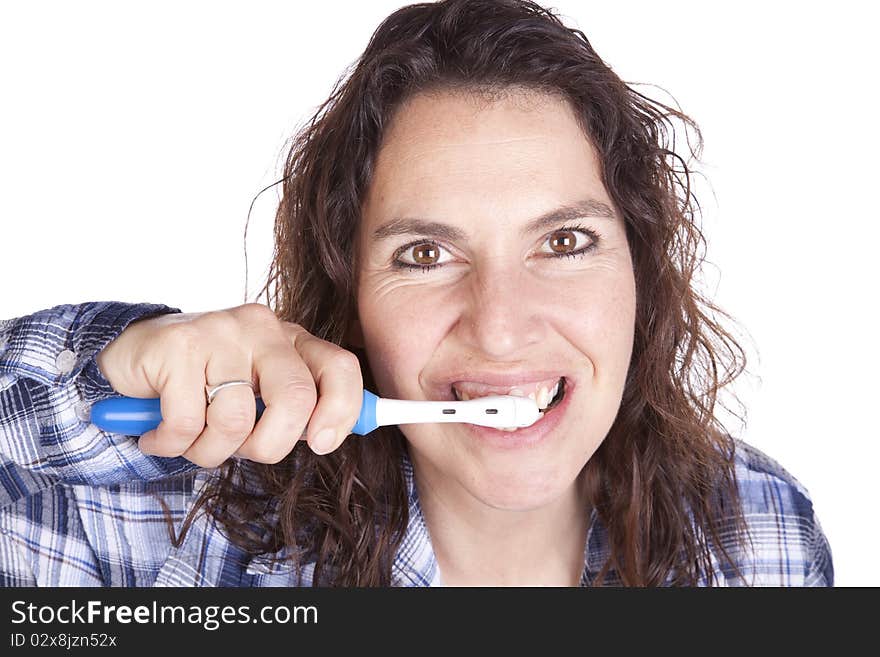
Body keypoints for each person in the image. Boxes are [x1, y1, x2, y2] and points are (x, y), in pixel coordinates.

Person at [0, 0, 832, 587]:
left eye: (565, 241)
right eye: (426, 252)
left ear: (642, 269)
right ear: (349, 294)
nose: (500, 330)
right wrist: (105, 369)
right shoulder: (161, 541)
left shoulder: (762, 538)